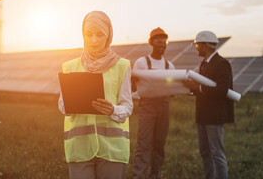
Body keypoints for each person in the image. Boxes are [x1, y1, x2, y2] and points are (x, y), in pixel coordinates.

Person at [58, 11, 133, 179]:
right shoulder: (70, 67)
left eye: (100, 35)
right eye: (88, 34)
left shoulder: (122, 66)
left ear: (108, 36)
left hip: (113, 148)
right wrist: (71, 104)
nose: (93, 40)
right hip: (80, 147)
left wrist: (112, 109)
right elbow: (62, 105)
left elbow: (127, 106)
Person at [183, 31, 234, 179]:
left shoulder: (222, 64)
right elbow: (203, 89)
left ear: (206, 46)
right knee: (205, 153)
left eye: (198, 45)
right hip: (202, 116)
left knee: (217, 154)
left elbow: (222, 90)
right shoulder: (204, 64)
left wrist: (197, 88)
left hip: (214, 116)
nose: (196, 48)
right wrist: (191, 89)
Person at [132, 27, 175, 179]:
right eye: (158, 41)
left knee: (159, 144)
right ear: (151, 42)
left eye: (164, 41)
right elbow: (133, 85)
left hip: (164, 106)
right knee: (144, 143)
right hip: (147, 106)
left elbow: (172, 89)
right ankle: (138, 176)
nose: (162, 44)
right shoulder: (141, 63)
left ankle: (155, 175)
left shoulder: (169, 66)